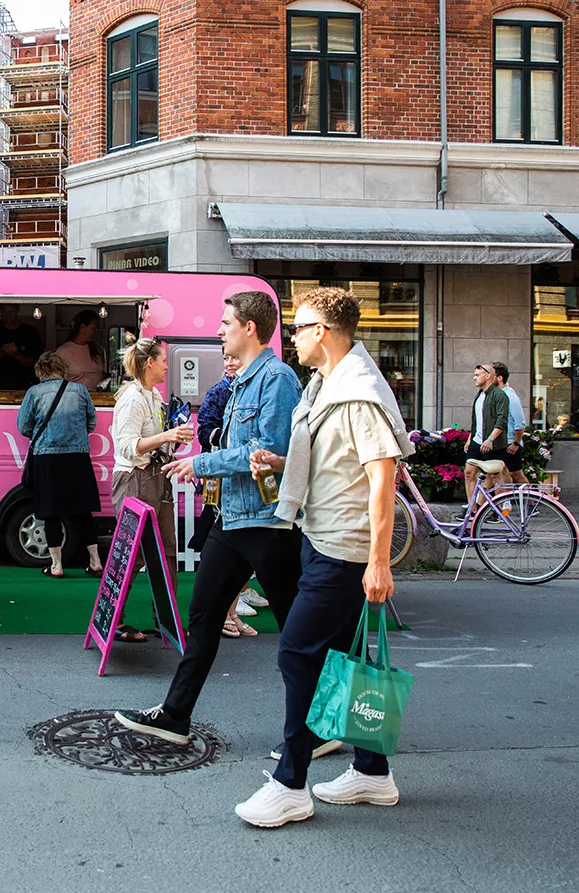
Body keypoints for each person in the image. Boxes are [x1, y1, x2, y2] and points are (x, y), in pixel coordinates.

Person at [236, 286, 414, 828]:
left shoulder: (358, 392)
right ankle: (373, 772)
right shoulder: (326, 384)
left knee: (297, 653)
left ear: (323, 332)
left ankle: (290, 782)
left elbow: (382, 478)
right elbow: (335, 457)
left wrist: (379, 562)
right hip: (322, 539)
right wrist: (284, 462)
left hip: (345, 550)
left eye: (299, 327)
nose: (291, 336)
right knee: (343, 658)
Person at [115, 291, 305, 748]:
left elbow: (268, 450)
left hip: (267, 522)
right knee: (202, 619)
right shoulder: (242, 380)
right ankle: (175, 716)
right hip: (231, 518)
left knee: (298, 632)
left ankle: (315, 727)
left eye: (226, 323)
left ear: (250, 329)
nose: (219, 330)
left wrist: (200, 464)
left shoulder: (277, 379)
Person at [108, 339, 194, 641]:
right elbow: (127, 446)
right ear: (149, 363)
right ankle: (114, 621)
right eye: (163, 360)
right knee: (132, 554)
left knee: (167, 551)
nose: (167, 366)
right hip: (134, 478)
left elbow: (156, 442)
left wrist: (174, 437)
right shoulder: (132, 398)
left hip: (157, 477)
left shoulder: (154, 396)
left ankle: (165, 621)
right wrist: (167, 436)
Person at [194, 353, 264, 636]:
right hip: (221, 480)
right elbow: (204, 431)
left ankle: (233, 606)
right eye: (226, 359)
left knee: (242, 547)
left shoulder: (259, 386)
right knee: (222, 545)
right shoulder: (219, 392)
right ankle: (226, 610)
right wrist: (228, 440)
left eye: (236, 358)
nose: (230, 363)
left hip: (249, 481)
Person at [17, 352, 102, 578]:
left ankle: (56, 566)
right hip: (77, 457)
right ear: (61, 368)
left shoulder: (35, 392)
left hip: (46, 458)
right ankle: (95, 562)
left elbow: (23, 426)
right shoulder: (80, 390)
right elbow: (91, 422)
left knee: (50, 511)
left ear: (41, 371)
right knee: (83, 511)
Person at [462, 362, 510, 514]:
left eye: (477, 375)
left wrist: (490, 439)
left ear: (488, 376)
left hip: (493, 443)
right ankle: (472, 510)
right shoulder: (479, 395)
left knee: (495, 476)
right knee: (469, 472)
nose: (474, 378)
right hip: (477, 441)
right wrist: (470, 438)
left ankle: (500, 510)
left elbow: (501, 421)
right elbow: (477, 421)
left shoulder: (499, 395)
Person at [0, 303, 43, 391]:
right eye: (4, 312)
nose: (8, 316)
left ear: (18, 310)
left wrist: (17, 355)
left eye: (11, 312)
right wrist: (1, 353)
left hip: (24, 385)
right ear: (0, 310)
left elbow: (37, 364)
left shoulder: (30, 332)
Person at [493, 361, 528, 486]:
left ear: (499, 378)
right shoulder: (494, 395)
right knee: (499, 474)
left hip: (510, 443)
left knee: (515, 474)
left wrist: (516, 443)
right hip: (499, 443)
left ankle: (531, 497)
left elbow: (520, 423)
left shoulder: (510, 397)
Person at [56, 309, 106, 391]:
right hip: (74, 396)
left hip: (97, 396)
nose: (95, 332)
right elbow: (56, 379)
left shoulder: (95, 348)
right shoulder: (63, 351)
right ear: (82, 327)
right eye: (93, 328)